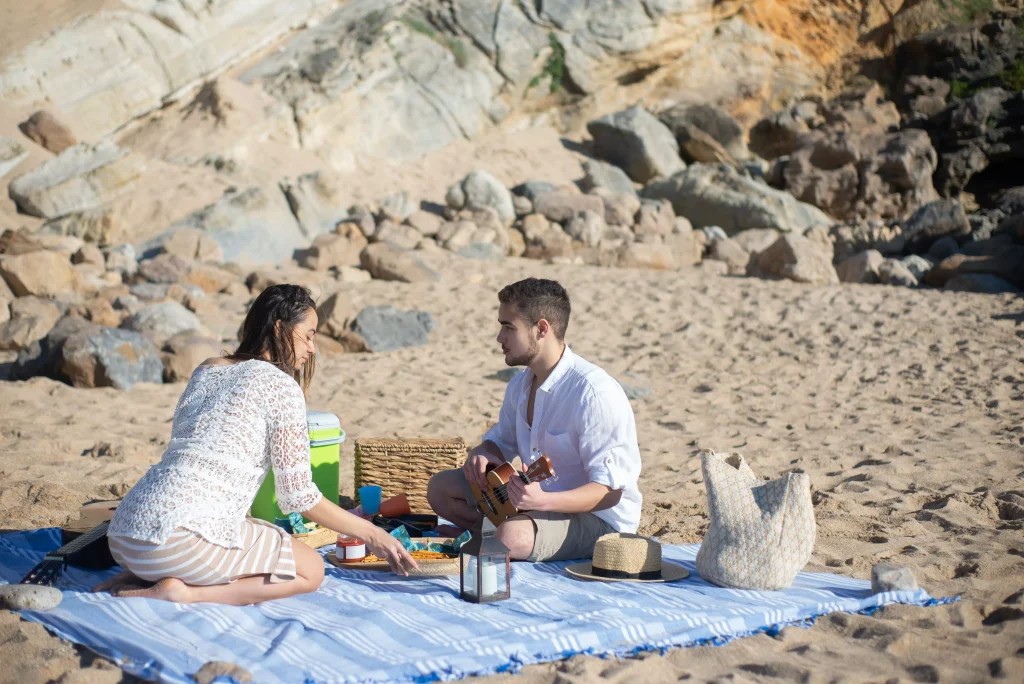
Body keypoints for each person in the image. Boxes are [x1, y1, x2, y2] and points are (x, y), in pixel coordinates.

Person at [93, 284, 417, 605]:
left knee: (244, 530)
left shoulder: (206, 369)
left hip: (124, 536)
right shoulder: (280, 386)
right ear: (280, 329)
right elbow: (299, 497)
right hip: (177, 542)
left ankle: (149, 572)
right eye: (309, 334)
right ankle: (183, 592)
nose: (312, 348)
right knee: (311, 570)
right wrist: (374, 533)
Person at [427, 278, 642, 562]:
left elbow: (610, 493)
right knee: (440, 489)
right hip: (533, 503)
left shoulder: (594, 394)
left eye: (508, 327)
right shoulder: (520, 386)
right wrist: (482, 454)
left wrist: (544, 501)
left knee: (512, 537)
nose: (499, 338)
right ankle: (497, 537)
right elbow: (499, 444)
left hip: (599, 522)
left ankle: (495, 538)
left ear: (542, 329)